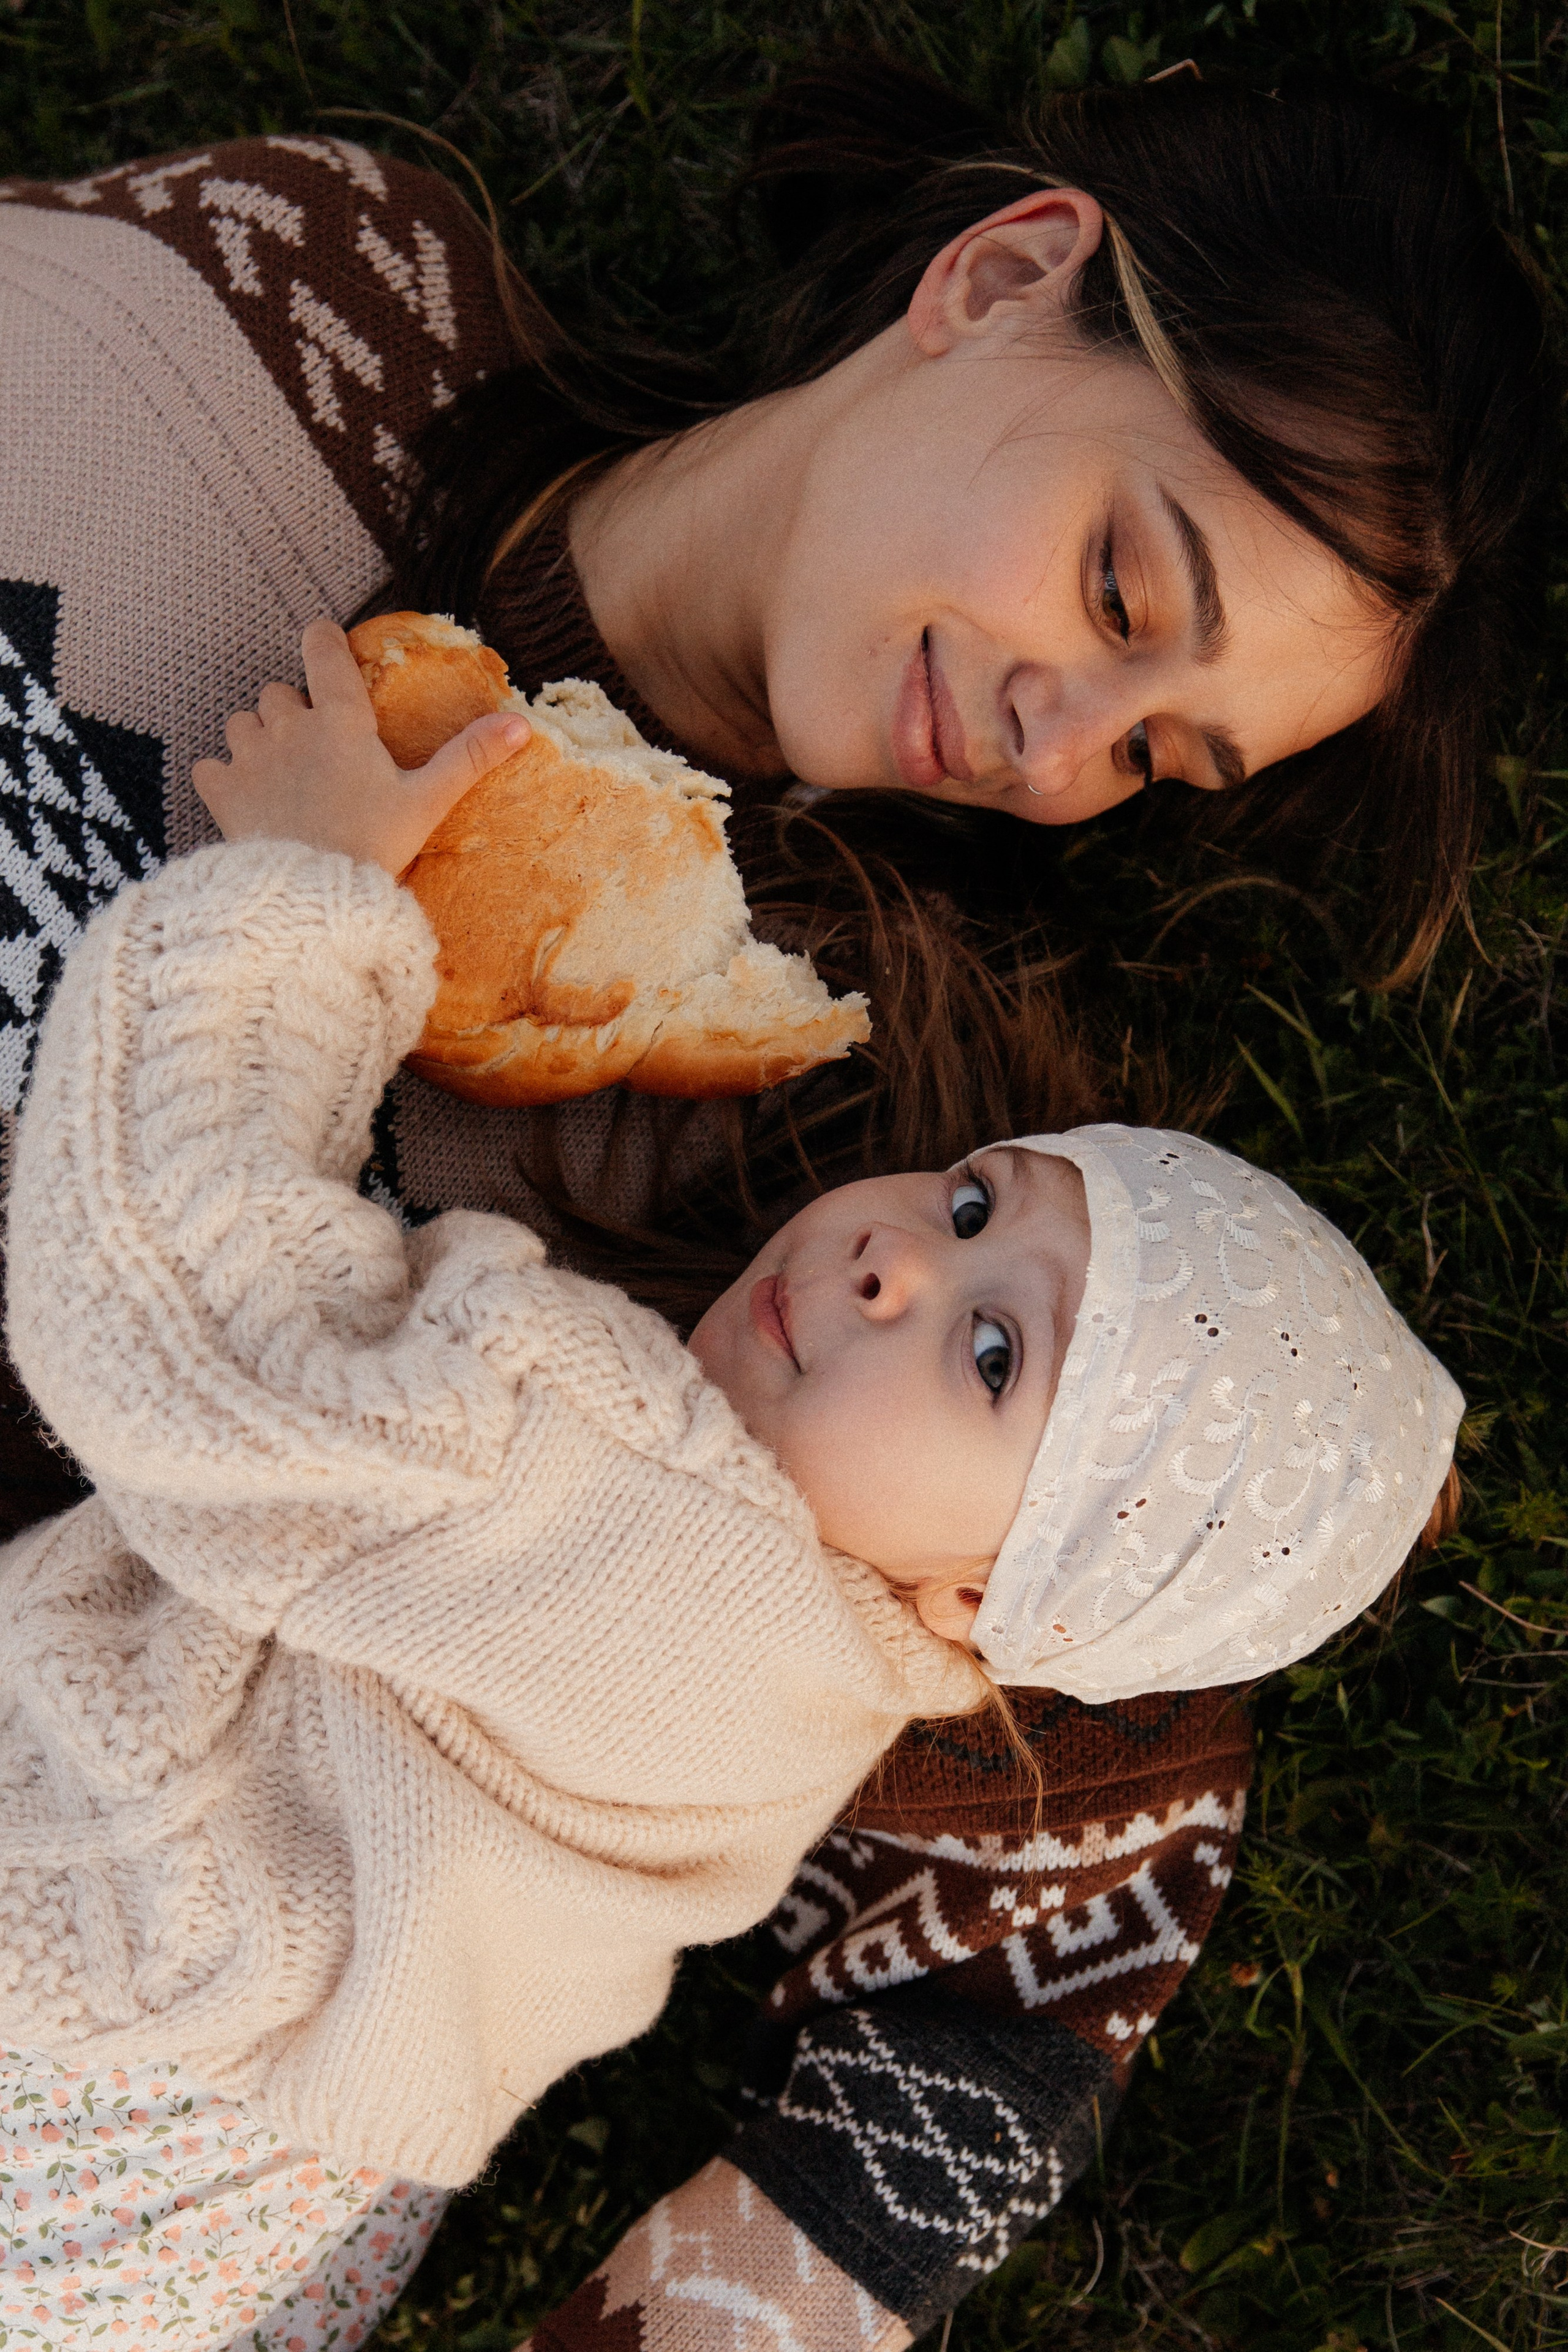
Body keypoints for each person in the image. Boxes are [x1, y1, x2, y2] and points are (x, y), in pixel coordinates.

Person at [0, 45, 1525, 2347]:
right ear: (1009, 276)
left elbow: (1078, 1793)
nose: (1054, 744)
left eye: (1157, 753)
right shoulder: (332, 292)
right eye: (1120, 580)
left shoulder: (792, 1142)